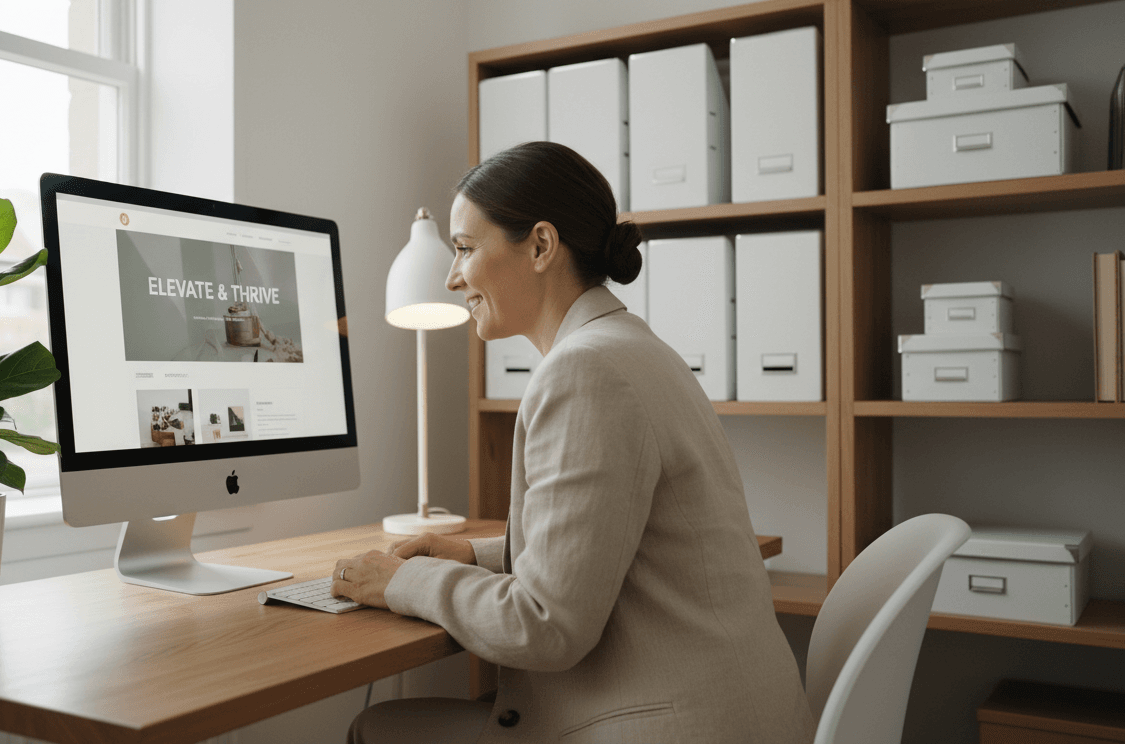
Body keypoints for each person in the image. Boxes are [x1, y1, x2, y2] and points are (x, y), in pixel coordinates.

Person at [330, 141, 815, 743]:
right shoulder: (632, 348)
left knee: (375, 731)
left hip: (672, 726)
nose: (453, 278)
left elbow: (545, 624)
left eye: (464, 248)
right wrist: (473, 555)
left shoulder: (585, 373)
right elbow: (598, 540)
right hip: (731, 712)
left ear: (540, 245)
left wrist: (399, 582)